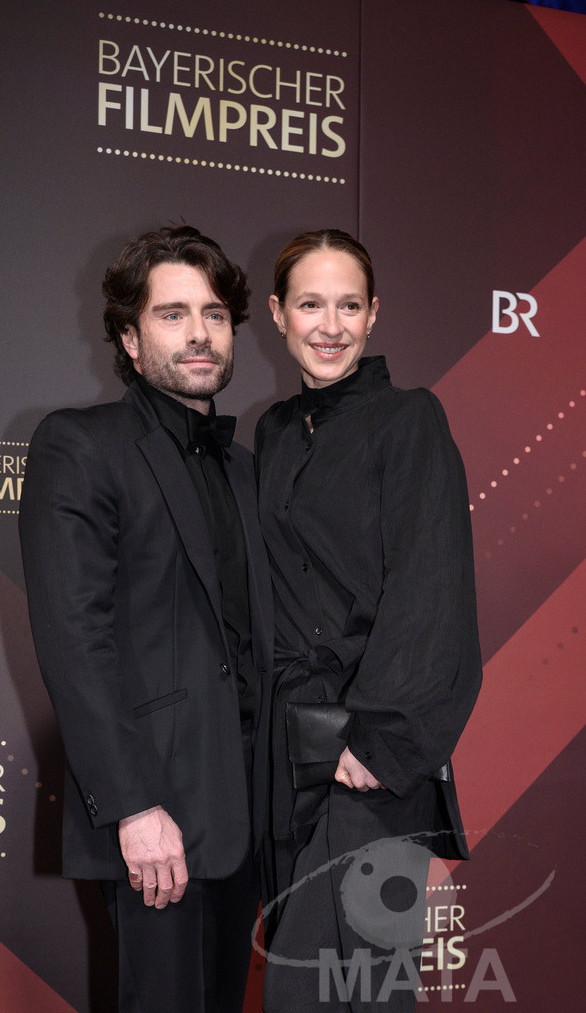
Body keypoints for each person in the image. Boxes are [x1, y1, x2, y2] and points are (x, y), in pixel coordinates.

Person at [19, 225, 273, 1013]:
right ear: (130, 340)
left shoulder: (245, 467)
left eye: (214, 314)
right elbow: (74, 638)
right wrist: (132, 805)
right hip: (155, 812)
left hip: (248, 813)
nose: (198, 332)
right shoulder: (80, 445)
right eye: (171, 314)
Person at [255, 230, 482, 1012]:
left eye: (348, 305)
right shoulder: (276, 432)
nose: (329, 325)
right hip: (292, 752)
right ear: (277, 315)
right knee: (304, 985)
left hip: (370, 761)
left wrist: (378, 743)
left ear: (374, 314)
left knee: (355, 990)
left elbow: (432, 589)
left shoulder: (410, 419)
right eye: (310, 304)